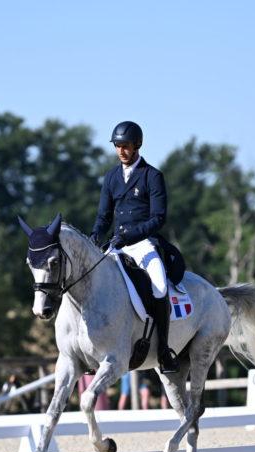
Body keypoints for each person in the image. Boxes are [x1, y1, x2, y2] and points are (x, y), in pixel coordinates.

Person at [91, 120, 178, 374]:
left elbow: (158, 218)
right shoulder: (111, 177)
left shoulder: (152, 176)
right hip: (117, 246)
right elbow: (103, 216)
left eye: (125, 146)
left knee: (160, 288)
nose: (121, 151)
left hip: (143, 244)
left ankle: (164, 350)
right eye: (117, 146)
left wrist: (130, 236)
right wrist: (96, 236)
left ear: (137, 145)